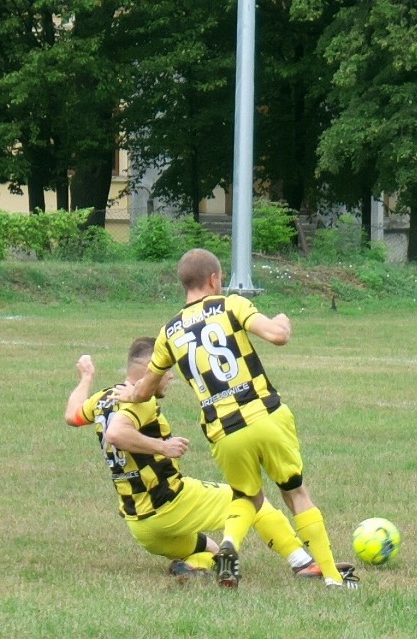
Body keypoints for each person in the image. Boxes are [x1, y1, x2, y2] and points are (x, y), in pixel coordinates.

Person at [112, 249, 359, 590]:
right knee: (296, 493)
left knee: (246, 498)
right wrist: (284, 320)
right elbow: (277, 335)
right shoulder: (231, 305)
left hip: (224, 430)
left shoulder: (168, 333)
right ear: (214, 279)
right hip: (265, 414)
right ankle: (332, 577)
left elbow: (145, 390)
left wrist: (129, 394)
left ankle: (229, 545)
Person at [64, 337, 350, 581]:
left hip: (141, 526)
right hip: (169, 504)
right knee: (251, 500)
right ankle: (303, 563)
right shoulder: (141, 399)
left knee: (212, 550)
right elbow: (116, 433)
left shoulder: (104, 397)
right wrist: (162, 447)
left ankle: (193, 566)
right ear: (151, 369)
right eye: (166, 368)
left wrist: (86, 378)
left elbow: (72, 414)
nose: (171, 375)